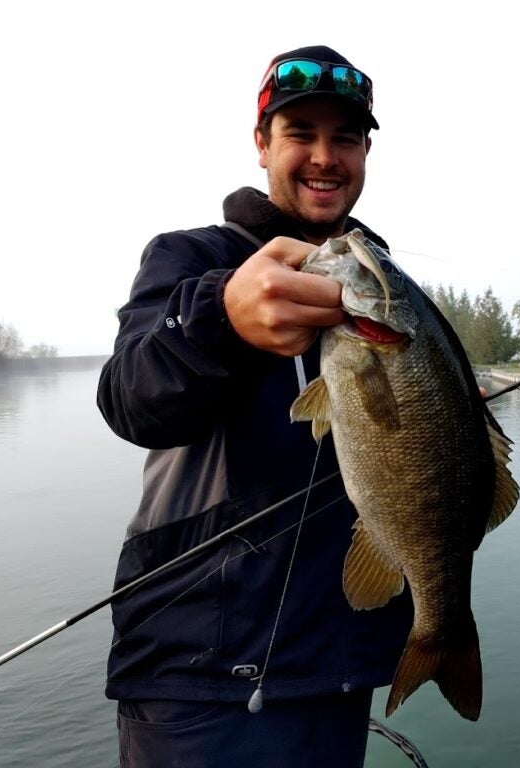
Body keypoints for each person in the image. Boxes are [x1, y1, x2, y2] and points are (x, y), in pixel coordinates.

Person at [97, 45, 413, 767]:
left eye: (346, 138)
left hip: (338, 666)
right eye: (301, 133)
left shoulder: (384, 287)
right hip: (198, 682)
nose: (325, 157)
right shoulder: (189, 259)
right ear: (262, 144)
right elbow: (128, 400)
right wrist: (221, 316)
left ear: (365, 153)